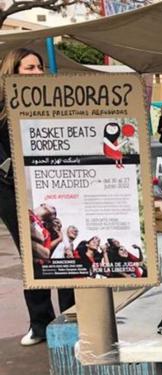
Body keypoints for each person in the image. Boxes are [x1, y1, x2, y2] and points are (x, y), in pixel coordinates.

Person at [0, 48, 74, 346]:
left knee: (64, 250)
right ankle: (40, 321)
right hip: (11, 191)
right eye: (28, 67)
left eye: (39, 67)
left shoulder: (51, 103)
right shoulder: (2, 108)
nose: (35, 72)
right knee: (32, 253)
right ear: (12, 71)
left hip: (50, 187)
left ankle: (71, 312)